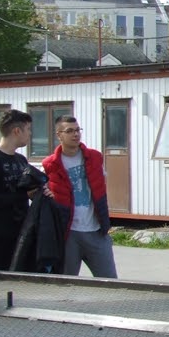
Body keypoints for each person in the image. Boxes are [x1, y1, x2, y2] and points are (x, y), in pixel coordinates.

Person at [41, 115, 117, 278]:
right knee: (66, 283)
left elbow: (100, 188)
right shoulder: (50, 164)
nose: (75, 134)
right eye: (69, 131)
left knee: (110, 281)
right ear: (59, 135)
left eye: (77, 130)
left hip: (96, 230)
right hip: (69, 234)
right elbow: (42, 193)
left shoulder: (94, 157)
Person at [0, 109, 43, 271]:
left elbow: (25, 188)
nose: (30, 134)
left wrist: (38, 191)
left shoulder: (20, 160)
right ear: (16, 131)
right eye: (28, 129)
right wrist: (23, 195)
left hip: (21, 232)